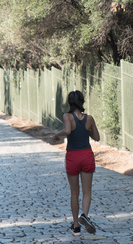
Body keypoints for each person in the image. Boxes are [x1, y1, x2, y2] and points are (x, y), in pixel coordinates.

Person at [53, 90, 100, 236]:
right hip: (86, 155)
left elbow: (67, 130)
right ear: (82, 102)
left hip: (73, 156)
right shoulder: (89, 118)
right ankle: (84, 215)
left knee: (74, 192)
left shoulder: (67, 116)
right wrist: (87, 130)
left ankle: (76, 226)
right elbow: (97, 137)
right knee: (87, 191)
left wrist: (56, 135)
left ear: (69, 103)